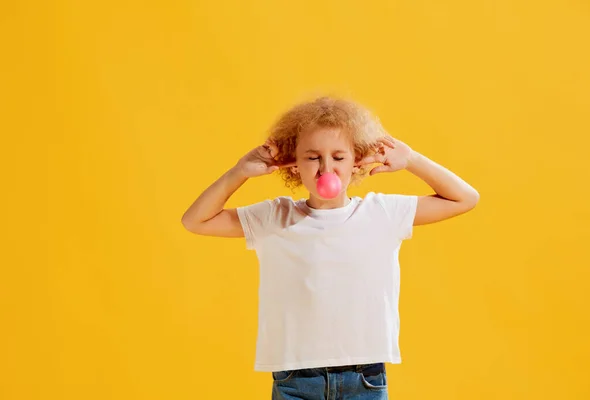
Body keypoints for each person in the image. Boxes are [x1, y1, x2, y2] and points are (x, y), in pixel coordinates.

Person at [181, 96, 480, 399]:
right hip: (295, 379)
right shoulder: (274, 217)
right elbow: (195, 221)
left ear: (357, 161)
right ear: (293, 164)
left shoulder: (382, 213)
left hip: (364, 377)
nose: (326, 168)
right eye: (313, 157)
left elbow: (465, 198)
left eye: (338, 157)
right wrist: (239, 171)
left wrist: (413, 159)